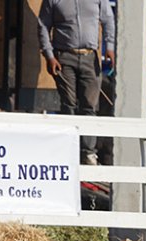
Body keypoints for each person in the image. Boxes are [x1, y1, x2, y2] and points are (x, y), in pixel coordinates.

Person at [37, 0, 116, 165]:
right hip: (64, 57)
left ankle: (88, 153)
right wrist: (49, 56)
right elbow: (43, 25)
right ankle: (68, 150)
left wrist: (109, 47)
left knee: (90, 106)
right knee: (69, 105)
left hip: (90, 57)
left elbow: (108, 20)